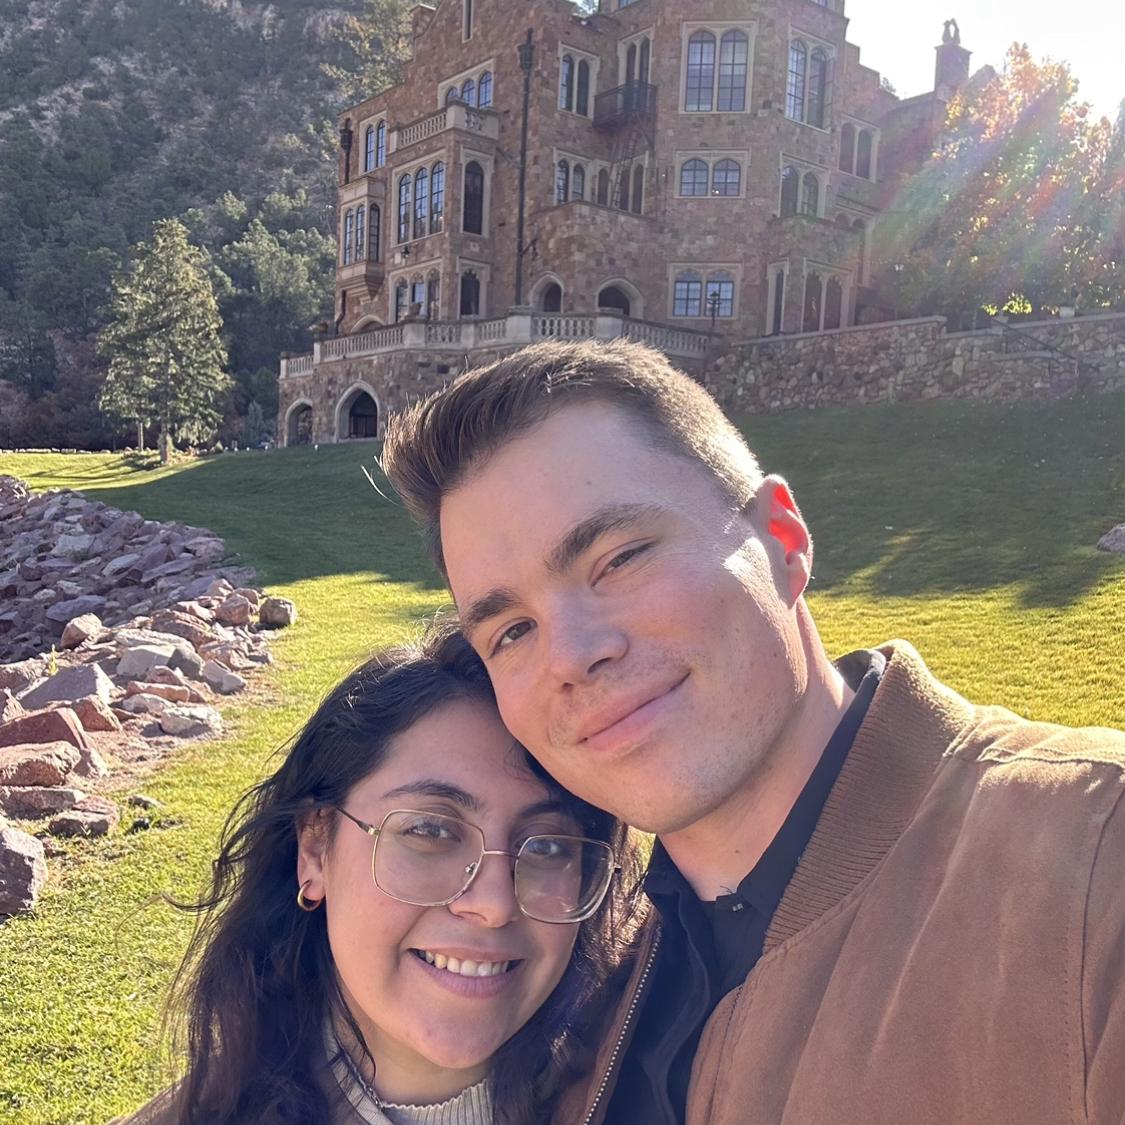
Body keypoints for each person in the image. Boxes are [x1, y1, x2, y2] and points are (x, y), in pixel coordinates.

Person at [382, 338, 1125, 1125]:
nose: (570, 655)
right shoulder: (583, 984)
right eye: (510, 632)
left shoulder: (1088, 865)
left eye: (619, 558)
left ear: (781, 536)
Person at [113, 623, 642, 1125]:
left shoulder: (665, 1087)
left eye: (547, 846)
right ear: (316, 848)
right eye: (430, 832)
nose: (494, 903)